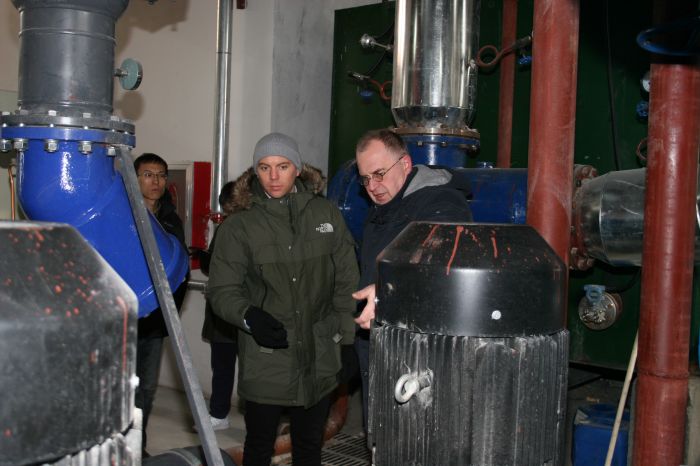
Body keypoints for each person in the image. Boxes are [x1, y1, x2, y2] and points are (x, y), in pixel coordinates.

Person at [206, 132, 359, 466]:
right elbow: (221, 290)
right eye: (264, 167)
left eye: (283, 166)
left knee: (309, 447)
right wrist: (249, 316)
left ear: (298, 169)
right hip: (267, 357)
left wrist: (347, 341)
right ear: (255, 171)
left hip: (320, 354)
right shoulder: (239, 226)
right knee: (259, 446)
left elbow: (346, 281)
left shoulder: (326, 216)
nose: (273, 176)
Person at [351, 128, 473, 430]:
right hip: (380, 345)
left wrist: (386, 291)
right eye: (365, 179)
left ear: (405, 164)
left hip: (418, 354)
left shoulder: (441, 204)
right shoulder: (381, 209)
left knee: (413, 439)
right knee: (379, 437)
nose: (372, 186)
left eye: (379, 174)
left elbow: (440, 266)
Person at [133, 152, 189, 456]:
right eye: (148, 175)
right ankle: (123, 446)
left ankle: (138, 446)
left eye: (161, 175)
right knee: (124, 388)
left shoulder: (170, 219)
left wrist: (170, 313)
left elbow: (179, 269)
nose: (155, 181)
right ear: (134, 178)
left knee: (147, 388)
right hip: (127, 320)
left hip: (155, 322)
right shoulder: (125, 216)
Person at [196, 181, 238, 431]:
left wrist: (203, 255)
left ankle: (219, 414)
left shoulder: (229, 229)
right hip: (233, 309)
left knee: (223, 365)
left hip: (229, 308)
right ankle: (220, 413)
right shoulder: (229, 228)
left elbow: (212, 266)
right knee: (226, 364)